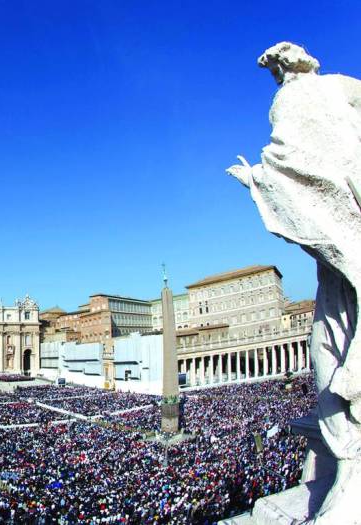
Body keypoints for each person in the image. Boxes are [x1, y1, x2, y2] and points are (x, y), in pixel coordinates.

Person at [227, 42, 361, 523]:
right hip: (341, 268)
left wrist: (259, 178)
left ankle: (350, 470)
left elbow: (289, 161)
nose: (280, 80)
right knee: (326, 352)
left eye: (282, 70)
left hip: (348, 256)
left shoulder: (311, 96)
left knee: (330, 356)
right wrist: (261, 178)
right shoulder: (343, 90)